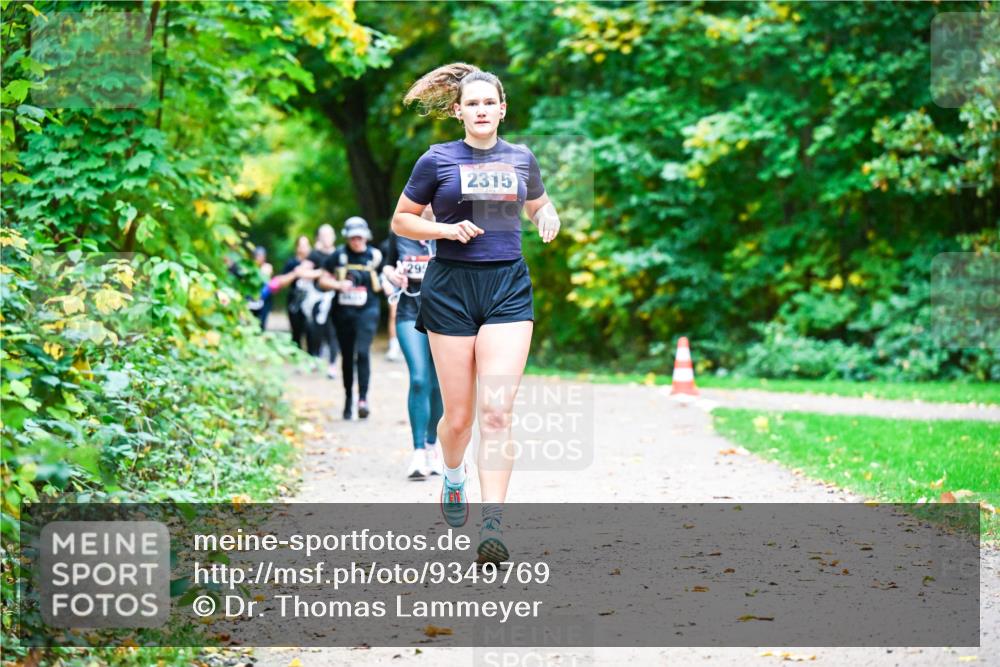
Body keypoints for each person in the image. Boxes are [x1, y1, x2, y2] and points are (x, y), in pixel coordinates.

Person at [391, 63, 561, 564]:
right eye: (473, 104)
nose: (482, 110)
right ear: (459, 111)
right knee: (459, 418)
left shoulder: (522, 158)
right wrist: (446, 230)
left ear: (502, 109)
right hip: (450, 289)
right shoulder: (436, 160)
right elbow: (401, 218)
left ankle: (493, 528)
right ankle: (453, 473)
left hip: (507, 286)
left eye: (490, 103)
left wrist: (547, 214)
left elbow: (537, 205)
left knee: (496, 411)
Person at [384, 205, 444, 481]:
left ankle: (433, 446)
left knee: (438, 383)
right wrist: (391, 276)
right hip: (409, 312)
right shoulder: (401, 231)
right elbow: (385, 264)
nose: (430, 204)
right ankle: (418, 451)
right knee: (419, 378)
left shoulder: (449, 230)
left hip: (445, 315)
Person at [317, 217, 384, 421]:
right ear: (347, 238)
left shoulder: (375, 256)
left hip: (368, 310)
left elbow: (385, 277)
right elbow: (322, 279)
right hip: (343, 313)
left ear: (366, 237)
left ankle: (362, 399)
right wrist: (338, 285)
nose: (356, 241)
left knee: (362, 352)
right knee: (346, 356)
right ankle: (348, 399)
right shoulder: (338, 255)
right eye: (353, 237)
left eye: (360, 237)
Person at [301, 225, 340, 378]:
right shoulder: (315, 255)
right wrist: (320, 273)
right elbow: (302, 271)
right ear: (319, 237)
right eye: (323, 235)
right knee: (316, 329)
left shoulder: (340, 253)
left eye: (329, 234)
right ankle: (315, 356)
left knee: (333, 331)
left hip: (336, 297)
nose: (326, 238)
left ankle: (332, 364)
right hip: (318, 297)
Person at [279, 235, 312, 349]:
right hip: (295, 300)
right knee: (297, 330)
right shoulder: (291, 263)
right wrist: (296, 273)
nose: (304, 248)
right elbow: (282, 281)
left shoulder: (314, 261)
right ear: (297, 248)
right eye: (301, 245)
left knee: (311, 329)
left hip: (310, 299)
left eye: (306, 245)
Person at [381, 235, 403, 363]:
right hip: (394, 284)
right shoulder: (387, 243)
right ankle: (394, 346)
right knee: (394, 314)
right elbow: (385, 266)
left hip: (419, 286)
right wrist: (386, 282)